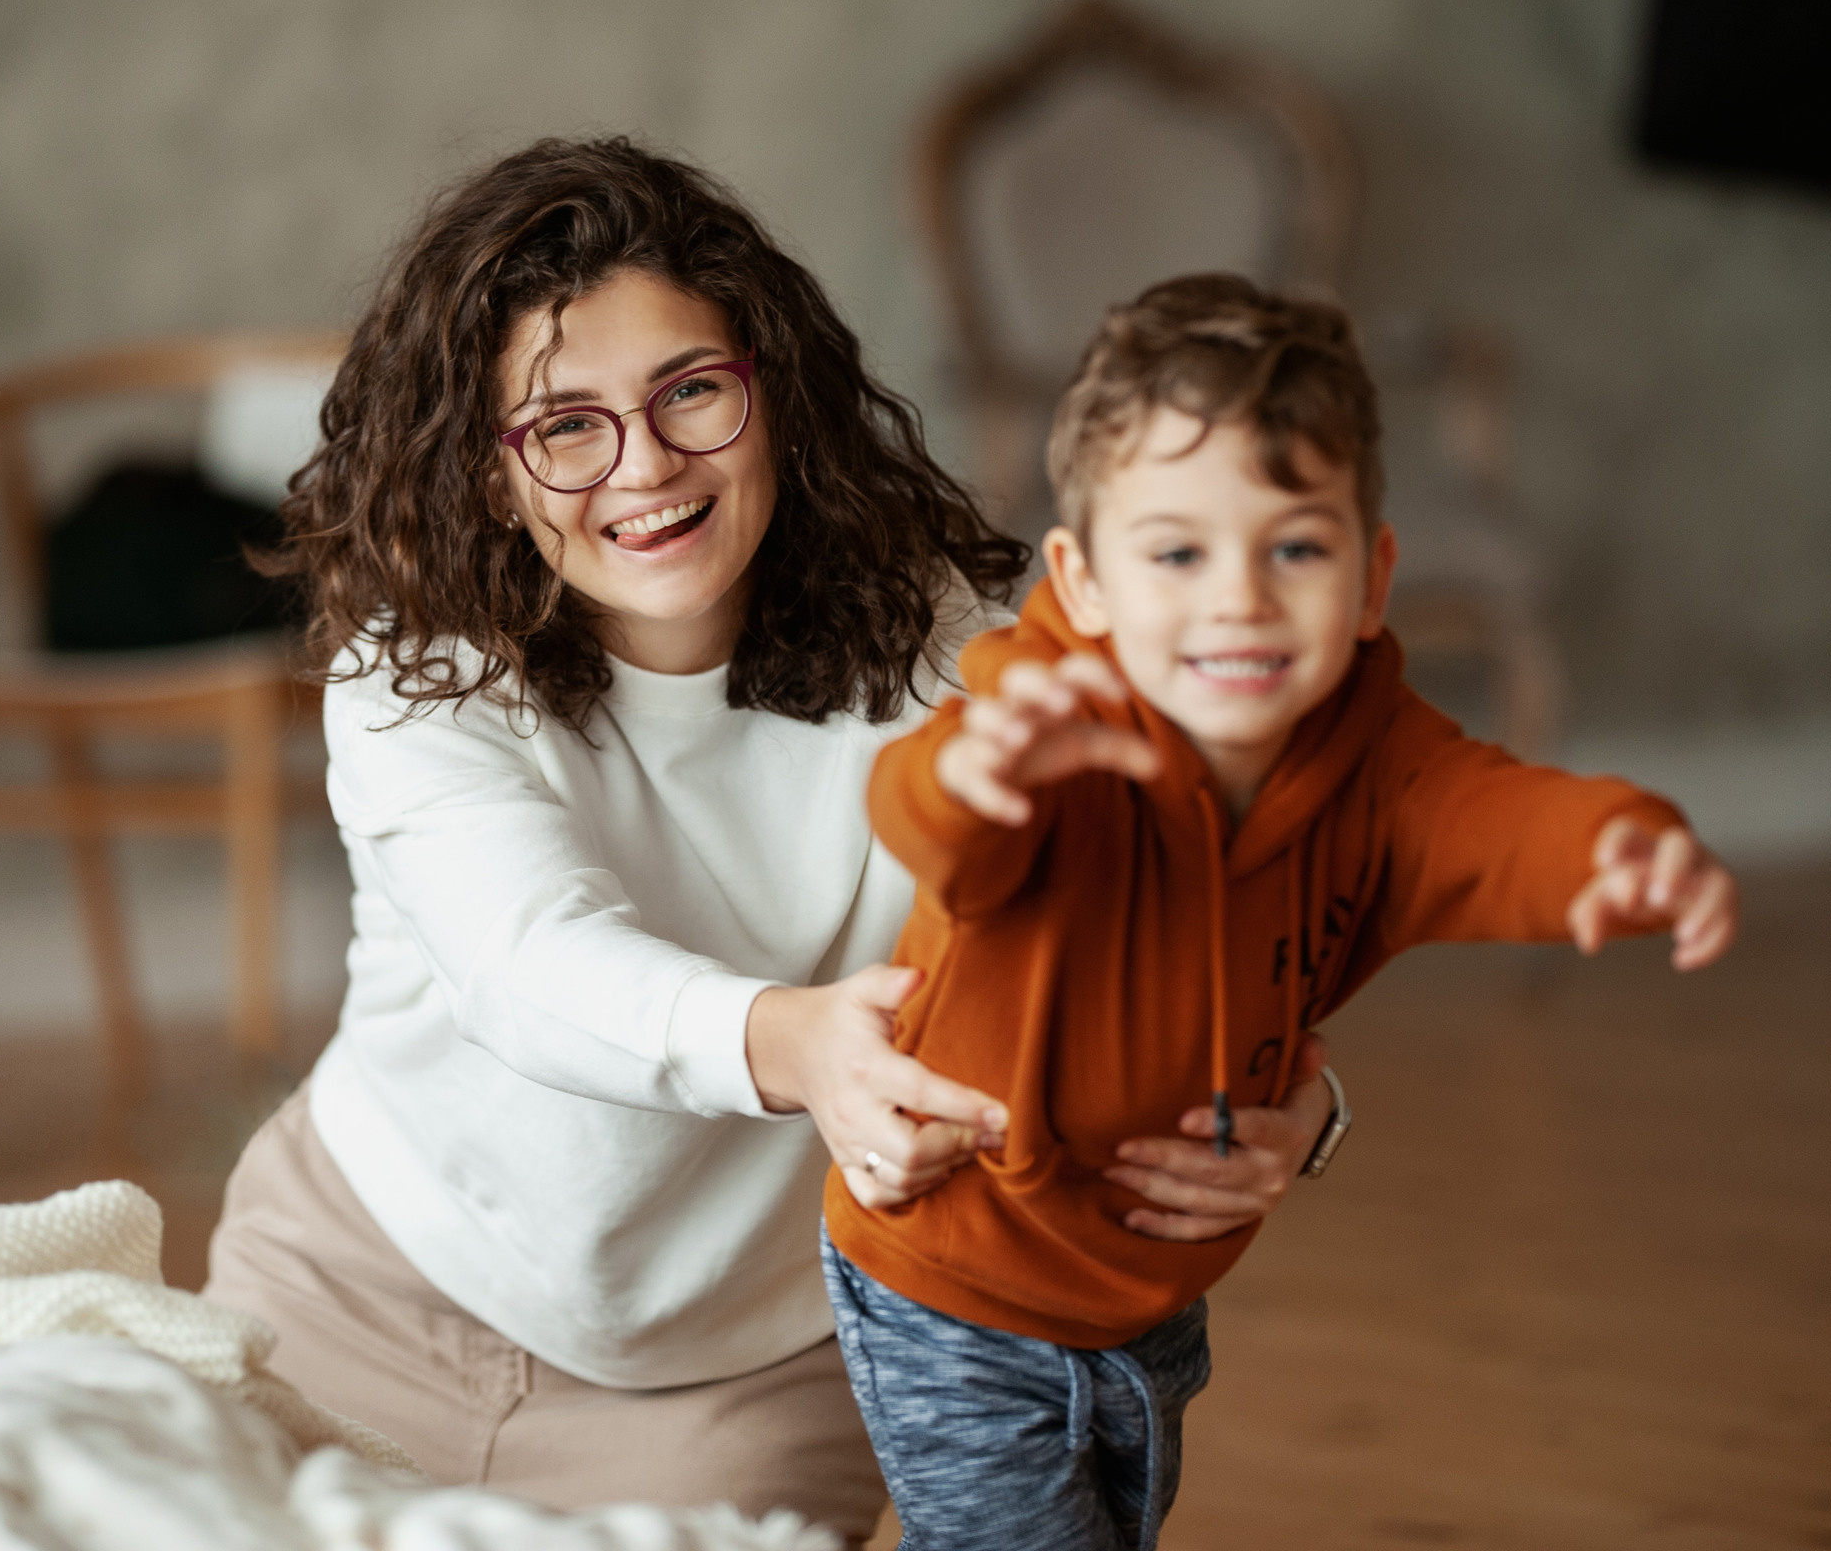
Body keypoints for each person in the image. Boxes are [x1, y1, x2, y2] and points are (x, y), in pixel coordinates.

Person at [202, 142, 1345, 1541]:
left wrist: (1290, 1091)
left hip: (743, 1381)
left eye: (691, 391)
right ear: (492, 473)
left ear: (774, 395)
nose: (647, 467)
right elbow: (524, 963)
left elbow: (1164, 895)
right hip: (354, 1290)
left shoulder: (952, 651)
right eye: (566, 424)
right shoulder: (418, 673)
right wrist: (793, 1042)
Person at [820, 273, 1741, 1551]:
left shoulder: (1379, 758)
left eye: (1294, 547)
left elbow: (1497, 822)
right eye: (1178, 552)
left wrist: (1622, 848)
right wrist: (980, 774)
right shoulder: (1045, 727)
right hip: (955, 1278)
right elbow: (931, 817)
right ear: (1085, 584)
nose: (1240, 597)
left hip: (1152, 1289)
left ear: (1372, 578)